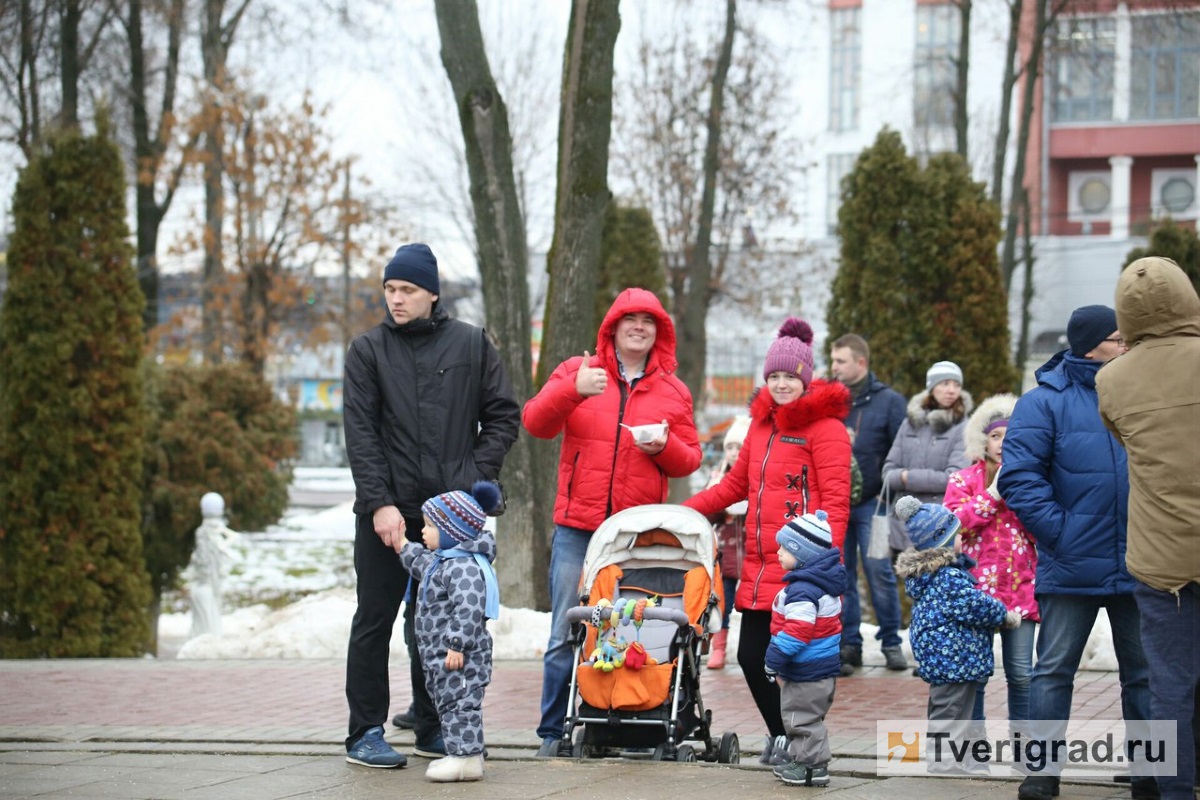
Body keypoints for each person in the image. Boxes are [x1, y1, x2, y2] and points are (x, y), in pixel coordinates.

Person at [342, 243, 520, 769]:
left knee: (439, 622)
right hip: (387, 514)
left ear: (432, 293)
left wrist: (469, 485)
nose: (396, 299)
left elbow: (503, 416)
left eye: (408, 290)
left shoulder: (470, 344)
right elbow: (361, 435)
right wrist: (379, 504)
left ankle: (433, 725)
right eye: (390, 290)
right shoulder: (367, 351)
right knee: (374, 618)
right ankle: (365, 733)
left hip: (449, 516)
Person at [523, 287, 703, 757]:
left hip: (634, 537)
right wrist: (571, 391)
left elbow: (689, 460)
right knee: (568, 628)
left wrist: (661, 447)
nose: (639, 327)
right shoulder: (578, 372)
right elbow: (536, 422)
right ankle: (551, 732)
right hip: (577, 529)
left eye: (649, 321)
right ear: (613, 328)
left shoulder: (673, 390)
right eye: (630, 319)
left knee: (627, 628)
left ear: (659, 332)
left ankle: (617, 720)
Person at [998, 304, 1155, 800]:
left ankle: (1152, 774)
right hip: (1070, 562)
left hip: (1140, 559)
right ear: (1090, 345)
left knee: (1145, 675)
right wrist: (1061, 534)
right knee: (1052, 671)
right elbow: (1020, 480)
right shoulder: (1042, 403)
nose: (1126, 345)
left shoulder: (1142, 392)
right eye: (1117, 338)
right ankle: (1041, 776)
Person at [684, 317, 853, 766]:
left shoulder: (827, 429)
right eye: (773, 376)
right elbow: (734, 486)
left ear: (805, 378)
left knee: (797, 663)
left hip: (802, 570)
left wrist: (823, 564)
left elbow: (836, 502)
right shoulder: (760, 428)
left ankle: (802, 742)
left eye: (789, 377)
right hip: (761, 567)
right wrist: (687, 510)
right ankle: (784, 737)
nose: (781, 384)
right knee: (751, 656)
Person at [1097, 257, 1200, 800]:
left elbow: (1125, 442)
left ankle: (1174, 789)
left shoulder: (1112, 379)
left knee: (1168, 686)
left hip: (1161, 559)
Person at [892, 496, 1017, 775]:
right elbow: (974, 605)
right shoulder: (948, 577)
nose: (962, 538)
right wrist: (1003, 615)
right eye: (957, 534)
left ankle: (952, 762)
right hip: (953, 659)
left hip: (952, 659)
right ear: (943, 541)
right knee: (949, 714)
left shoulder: (936, 575)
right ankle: (942, 765)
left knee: (955, 713)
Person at [942, 393, 1038, 722]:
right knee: (976, 676)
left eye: (1010, 436)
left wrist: (1022, 488)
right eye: (995, 435)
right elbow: (952, 527)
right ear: (982, 440)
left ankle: (1028, 752)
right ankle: (974, 750)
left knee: (1022, 675)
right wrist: (992, 494)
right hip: (976, 591)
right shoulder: (962, 480)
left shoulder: (1032, 476)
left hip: (1020, 588)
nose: (1001, 443)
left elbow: (1041, 529)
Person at [399, 482, 502, 783]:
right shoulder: (445, 561)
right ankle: (461, 753)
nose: (424, 530)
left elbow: (469, 608)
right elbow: (420, 563)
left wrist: (457, 644)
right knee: (450, 705)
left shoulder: (465, 568)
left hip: (460, 655)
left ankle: (466, 759)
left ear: (452, 531)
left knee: (460, 705)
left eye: (430, 526)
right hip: (443, 657)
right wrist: (403, 546)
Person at [829, 334, 907, 674]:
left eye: (840, 361)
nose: (834, 368)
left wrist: (887, 495)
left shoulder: (890, 402)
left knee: (879, 571)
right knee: (840, 575)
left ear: (861, 363)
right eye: (833, 361)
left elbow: (899, 451)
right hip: (836, 504)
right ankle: (849, 645)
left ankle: (891, 643)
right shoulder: (828, 399)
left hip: (874, 506)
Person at [765, 510, 848, 788]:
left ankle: (812, 767)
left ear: (802, 554)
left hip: (806, 669)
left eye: (784, 548)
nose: (778, 552)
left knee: (800, 718)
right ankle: (804, 761)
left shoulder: (803, 590)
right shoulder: (820, 585)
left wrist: (773, 658)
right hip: (819, 667)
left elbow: (798, 632)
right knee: (806, 717)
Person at [704, 414, 750, 670]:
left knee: (756, 607)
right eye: (730, 448)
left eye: (739, 448)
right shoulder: (718, 475)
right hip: (728, 552)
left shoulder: (760, 474)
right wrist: (717, 497)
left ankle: (757, 649)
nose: (733, 453)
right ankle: (718, 648)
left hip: (755, 552)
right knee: (722, 603)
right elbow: (709, 516)